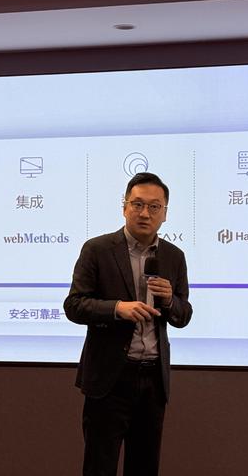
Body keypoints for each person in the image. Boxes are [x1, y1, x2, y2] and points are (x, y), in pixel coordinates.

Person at [64, 172, 193, 476]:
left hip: (152, 380)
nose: (145, 213)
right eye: (137, 204)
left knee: (145, 467)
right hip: (110, 378)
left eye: (154, 207)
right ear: (124, 207)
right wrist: (116, 309)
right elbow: (74, 305)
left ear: (164, 214)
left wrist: (169, 300)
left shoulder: (174, 257)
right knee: (100, 466)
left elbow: (183, 315)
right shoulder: (97, 249)